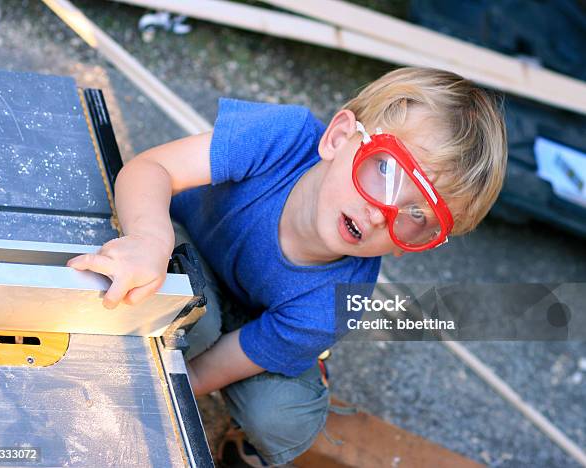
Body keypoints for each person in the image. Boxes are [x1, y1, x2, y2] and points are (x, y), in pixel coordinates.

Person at [67, 67, 507, 466]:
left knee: (281, 418)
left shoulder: (339, 302)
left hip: (258, 321)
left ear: (415, 246)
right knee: (188, 316)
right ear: (337, 138)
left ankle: (262, 413)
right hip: (185, 248)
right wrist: (147, 239)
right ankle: (179, 317)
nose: (382, 214)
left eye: (416, 218)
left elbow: (210, 368)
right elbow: (151, 168)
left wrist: (156, 397)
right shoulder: (283, 137)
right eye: (385, 171)